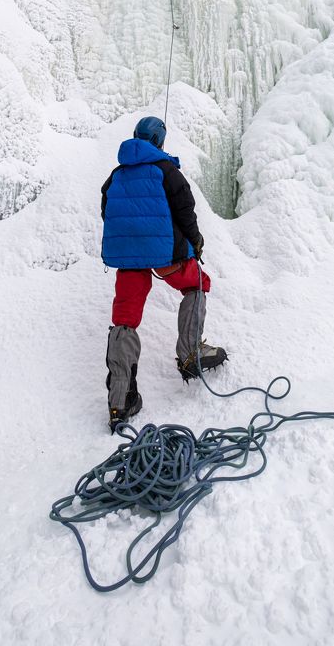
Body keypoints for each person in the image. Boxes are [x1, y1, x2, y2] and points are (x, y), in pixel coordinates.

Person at [101, 116, 228, 432]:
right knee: (197, 283)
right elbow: (185, 211)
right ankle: (190, 354)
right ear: (159, 140)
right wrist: (195, 242)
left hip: (129, 258)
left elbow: (107, 211)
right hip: (165, 254)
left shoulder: (116, 175)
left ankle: (120, 401)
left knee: (125, 317)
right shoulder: (166, 170)